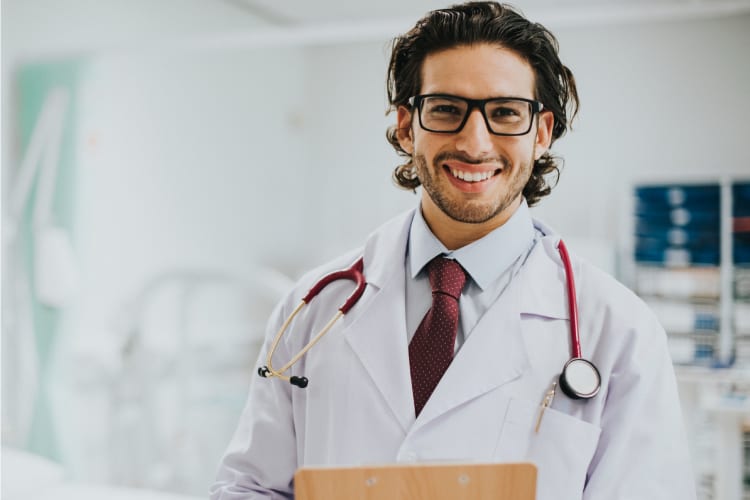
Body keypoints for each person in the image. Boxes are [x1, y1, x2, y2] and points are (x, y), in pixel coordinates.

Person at [209, 2, 696, 499]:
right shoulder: (311, 308)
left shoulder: (617, 330)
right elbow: (251, 486)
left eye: (505, 112)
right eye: (446, 109)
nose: (475, 142)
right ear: (406, 125)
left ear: (541, 133)